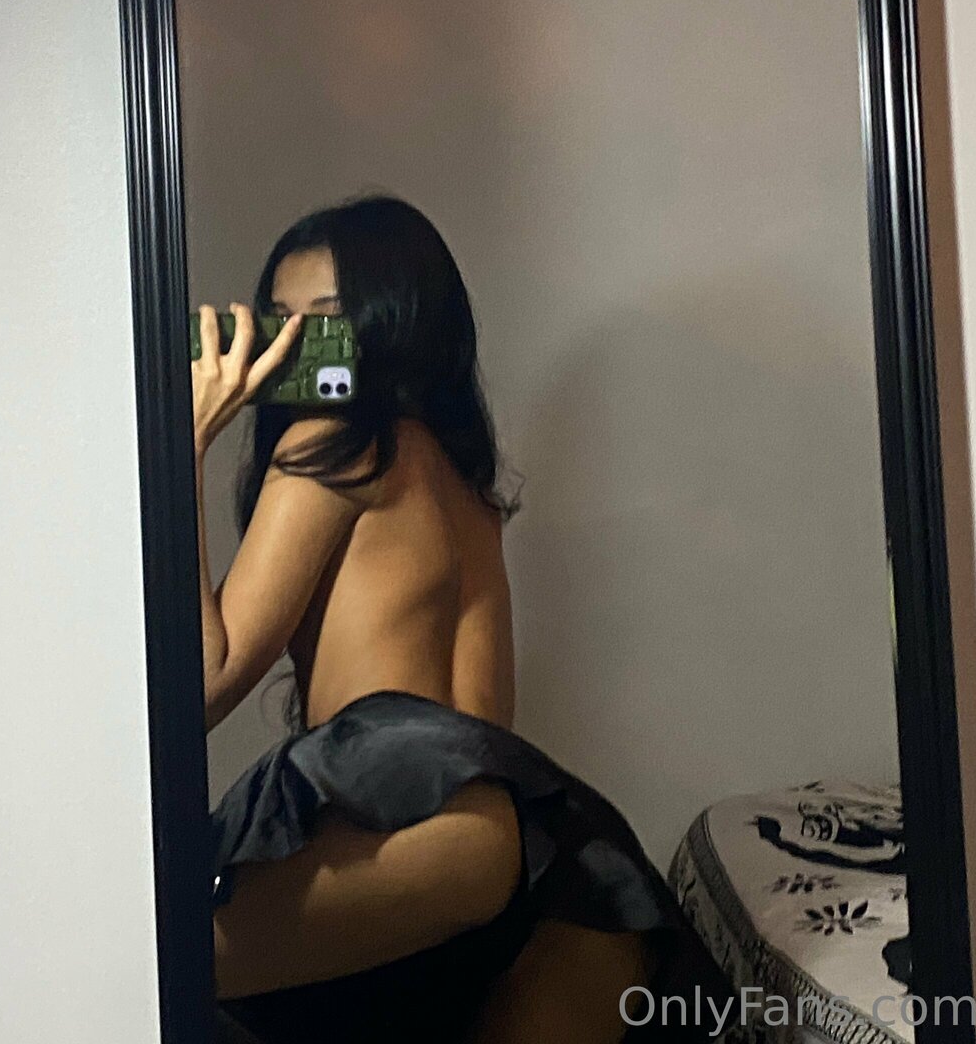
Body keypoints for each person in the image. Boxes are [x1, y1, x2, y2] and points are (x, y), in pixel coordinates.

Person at [195, 195, 732, 1043]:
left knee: (135, 960)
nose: (290, 346)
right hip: (544, 849)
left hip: (396, 817)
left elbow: (202, 684)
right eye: (278, 322)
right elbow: (480, 728)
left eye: (324, 320)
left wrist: (181, 445)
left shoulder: (332, 444)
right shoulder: (466, 492)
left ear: (394, 321)